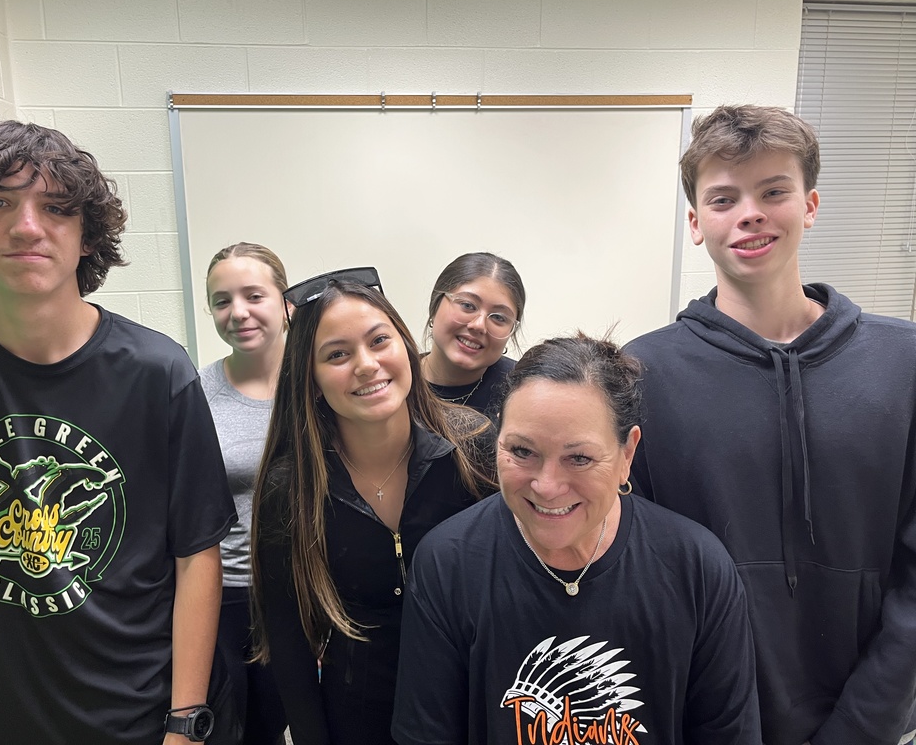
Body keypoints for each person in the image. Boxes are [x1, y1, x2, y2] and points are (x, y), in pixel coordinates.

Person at [0, 121, 237, 745]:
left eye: (56, 208)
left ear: (85, 233)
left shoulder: (158, 372)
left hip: (141, 716)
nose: (28, 226)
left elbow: (196, 554)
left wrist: (185, 723)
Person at [625, 105, 916, 745]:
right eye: (724, 198)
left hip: (870, 720)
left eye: (773, 191)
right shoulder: (641, 373)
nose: (750, 212)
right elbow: (641, 579)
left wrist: (864, 728)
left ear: (810, 205)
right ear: (697, 224)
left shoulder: (904, 361)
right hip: (702, 719)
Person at [392, 334, 761, 745]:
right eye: (521, 451)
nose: (547, 486)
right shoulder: (448, 565)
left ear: (627, 455)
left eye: (579, 458)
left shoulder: (697, 568)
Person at [251, 267, 497, 745]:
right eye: (337, 354)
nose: (366, 364)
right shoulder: (293, 486)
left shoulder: (474, 449)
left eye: (379, 340)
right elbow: (288, 641)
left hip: (472, 703)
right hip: (357, 715)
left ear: (406, 345)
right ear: (311, 376)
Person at [200, 242, 288, 744]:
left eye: (254, 295)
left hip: (302, 592)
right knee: (236, 730)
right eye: (221, 301)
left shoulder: (319, 389)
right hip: (225, 595)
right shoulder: (197, 392)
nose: (238, 313)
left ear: (284, 302)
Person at [421, 252, 525, 420]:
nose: (479, 325)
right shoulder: (393, 377)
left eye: (498, 317)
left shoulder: (523, 392)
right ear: (435, 305)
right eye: (468, 305)